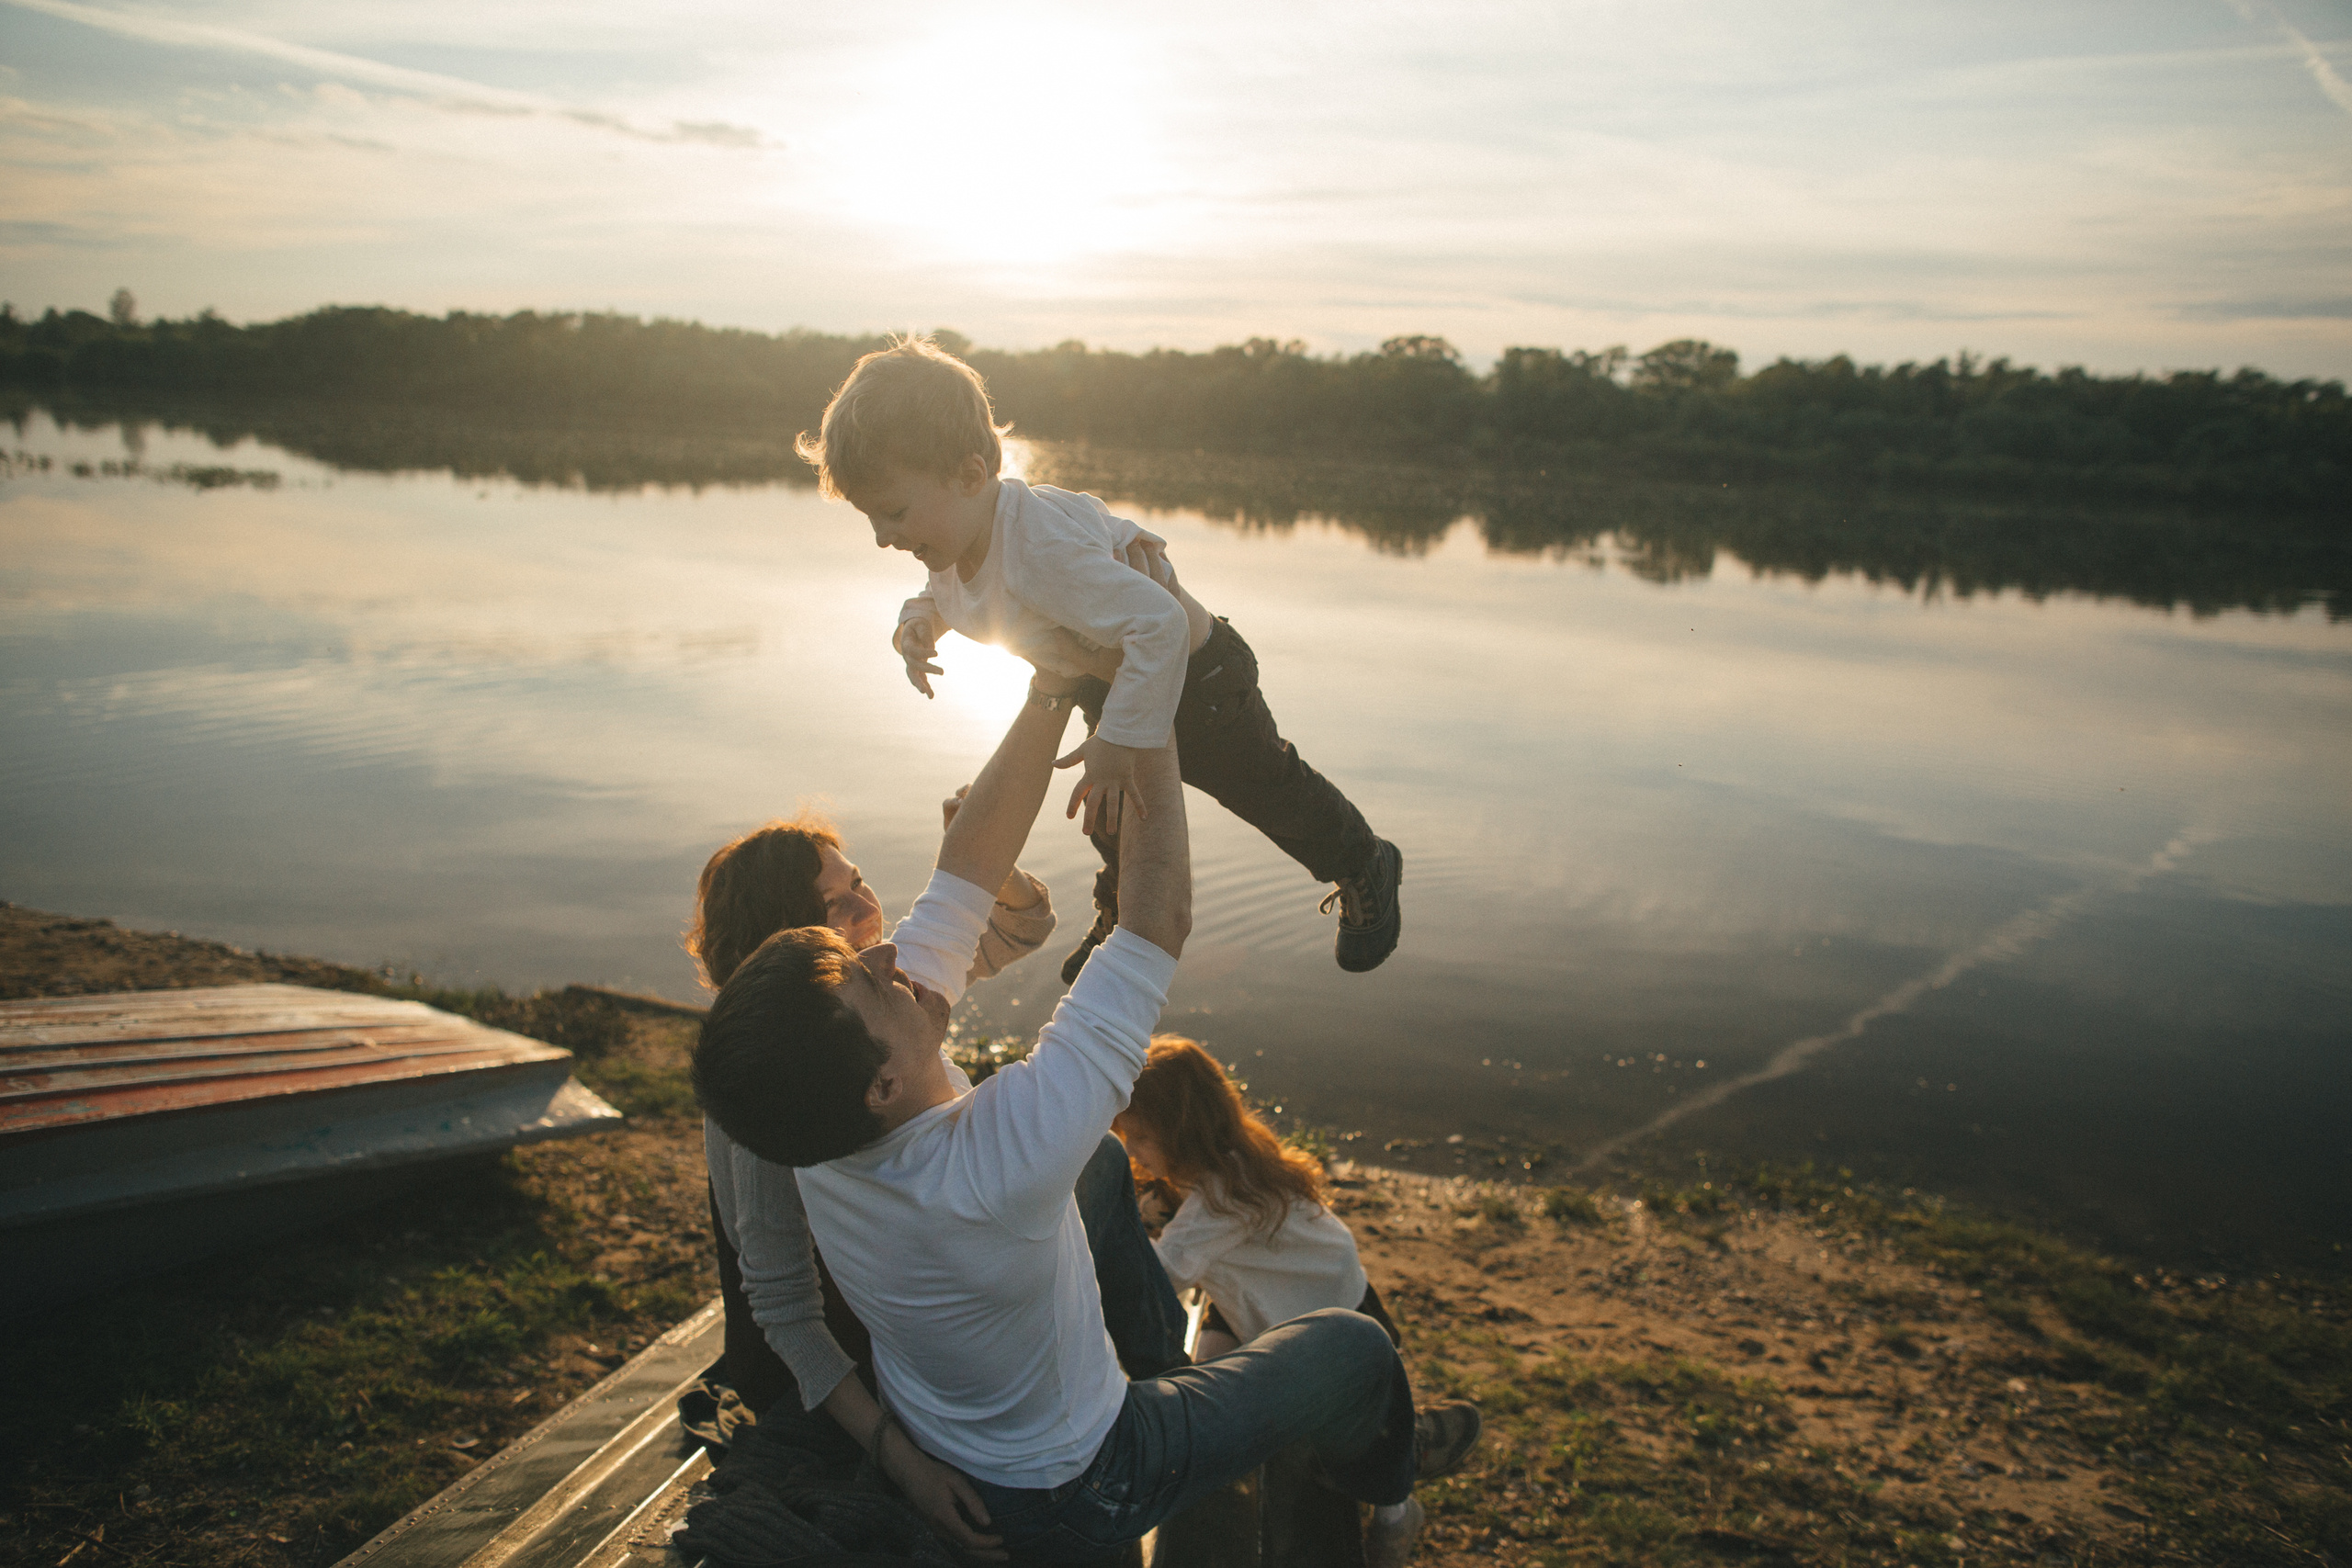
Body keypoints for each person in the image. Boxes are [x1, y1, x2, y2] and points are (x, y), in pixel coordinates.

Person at [694, 685, 1479, 1565]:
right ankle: (1383, 1489)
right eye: (871, 974)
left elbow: (964, 872)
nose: (889, 952)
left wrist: (1053, 687)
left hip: (951, 1423)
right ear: (882, 1079)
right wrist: (1148, 690)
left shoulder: (813, 1120)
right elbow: (1157, 918)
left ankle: (1176, 1379)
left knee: (1102, 1168)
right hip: (1085, 1478)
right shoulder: (1004, 1148)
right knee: (1356, 1347)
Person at [686, 689, 1187, 1560]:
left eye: (860, 883)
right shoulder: (780, 1089)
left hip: (937, 1315)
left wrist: (993, 851)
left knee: (1099, 1166)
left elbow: (1020, 923)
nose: (869, 915)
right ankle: (1132, 1424)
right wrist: (899, 1456)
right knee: (1068, 1182)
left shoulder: (872, 997)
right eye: (838, 910)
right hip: (860, 1368)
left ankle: (1159, 1379)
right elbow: (784, 1311)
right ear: (784, 950)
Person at [794, 335, 1405, 977]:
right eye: (872, 519)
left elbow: (1160, 624)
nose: (883, 537)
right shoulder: (951, 538)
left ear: (971, 475)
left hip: (1200, 678)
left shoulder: (1041, 548)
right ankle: (1117, 919)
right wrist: (917, 626)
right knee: (1111, 815)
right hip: (1109, 676)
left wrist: (1119, 737)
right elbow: (945, 593)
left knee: (1266, 790)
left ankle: (1363, 862)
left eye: (893, 512)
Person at [1115, 1036, 1418, 1362]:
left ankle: (1430, 1417)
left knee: (1356, 1402)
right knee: (1210, 1374)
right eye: (1127, 1136)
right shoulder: (1210, 1163)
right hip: (1259, 1289)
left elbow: (1162, 1276)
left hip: (1322, 1301)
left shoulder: (1226, 1192)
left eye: (1142, 1138)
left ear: (1183, 1130)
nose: (1130, 1150)